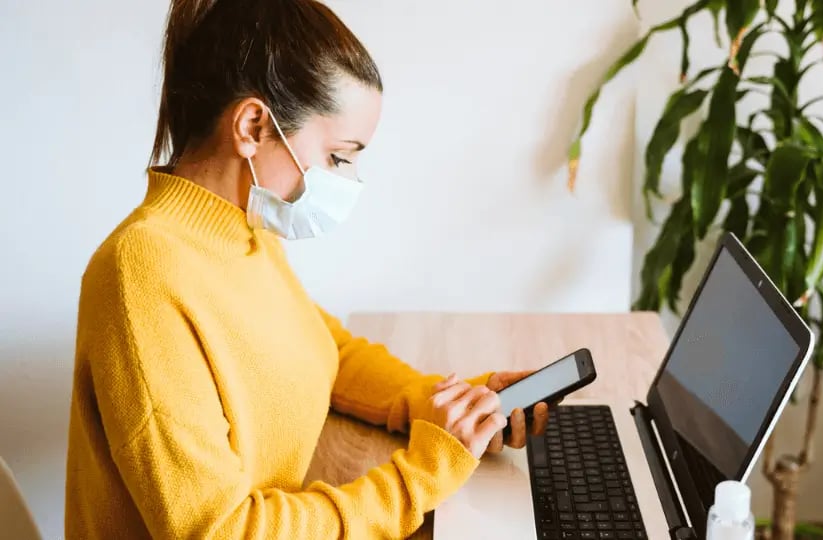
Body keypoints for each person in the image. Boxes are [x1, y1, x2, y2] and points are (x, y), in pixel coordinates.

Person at [64, 1, 552, 537]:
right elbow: (219, 529)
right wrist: (422, 474)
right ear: (252, 126)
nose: (350, 181)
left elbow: (324, 350)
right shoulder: (142, 274)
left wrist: (451, 409)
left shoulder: (243, 229)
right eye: (340, 158)